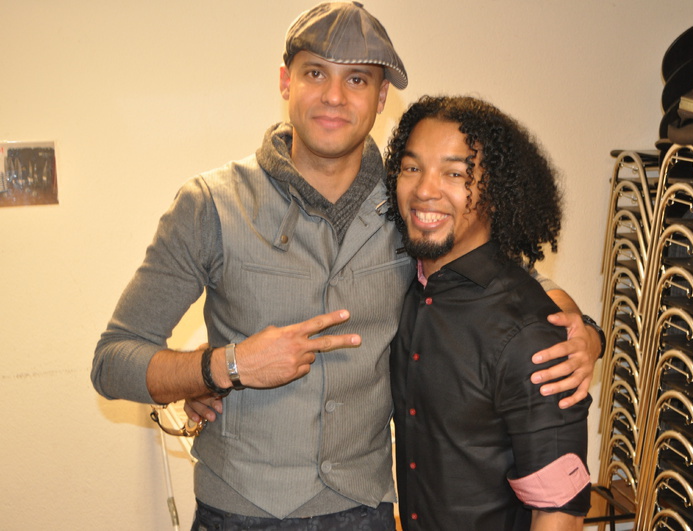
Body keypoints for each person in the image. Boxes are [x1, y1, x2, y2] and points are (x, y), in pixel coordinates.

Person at [91, 3, 601, 529]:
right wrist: (226, 367)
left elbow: (510, 282)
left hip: (367, 512)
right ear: (286, 82)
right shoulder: (211, 205)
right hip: (238, 512)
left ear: (380, 98)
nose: (334, 96)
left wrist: (584, 333)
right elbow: (112, 361)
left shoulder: (413, 203)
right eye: (316, 73)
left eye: (356, 79)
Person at [387, 95, 591, 530]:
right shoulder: (406, 283)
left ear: (495, 193)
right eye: (411, 168)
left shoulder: (531, 335)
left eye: (455, 174)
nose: (425, 190)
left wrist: (589, 333)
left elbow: (559, 510)